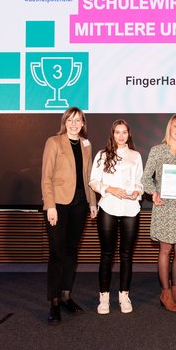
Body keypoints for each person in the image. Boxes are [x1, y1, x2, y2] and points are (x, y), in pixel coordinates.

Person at [41, 107, 97, 325]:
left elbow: (88, 175)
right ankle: (54, 302)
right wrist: (50, 206)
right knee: (57, 252)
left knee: (72, 251)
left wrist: (92, 202)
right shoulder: (54, 142)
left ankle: (66, 296)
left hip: (80, 205)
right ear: (65, 122)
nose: (74, 124)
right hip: (58, 205)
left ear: (83, 123)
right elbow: (46, 177)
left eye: (78, 120)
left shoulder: (86, 144)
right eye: (70, 120)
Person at [142, 114, 176, 312]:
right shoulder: (157, 150)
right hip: (164, 206)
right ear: (169, 128)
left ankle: (175, 289)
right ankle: (165, 292)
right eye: (175, 126)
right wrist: (154, 193)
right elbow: (145, 178)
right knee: (165, 250)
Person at [89, 120, 143, 315]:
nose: (121, 136)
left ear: (129, 134)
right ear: (112, 134)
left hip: (131, 209)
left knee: (126, 254)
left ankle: (124, 296)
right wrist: (109, 188)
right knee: (107, 254)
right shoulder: (102, 155)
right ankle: (104, 298)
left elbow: (140, 182)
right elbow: (93, 181)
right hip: (108, 207)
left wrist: (137, 191)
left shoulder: (136, 156)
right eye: (117, 132)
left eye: (124, 132)